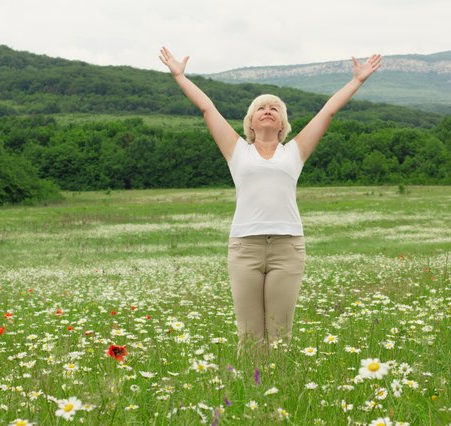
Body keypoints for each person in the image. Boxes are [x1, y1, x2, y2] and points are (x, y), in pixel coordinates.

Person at [159, 46, 382, 356]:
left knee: (280, 337)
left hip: (287, 249)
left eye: (274, 109)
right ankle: (248, 397)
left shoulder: (295, 151)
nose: (267, 110)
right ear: (251, 123)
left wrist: (357, 81)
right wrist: (180, 76)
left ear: (282, 125)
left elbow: (327, 111)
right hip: (245, 249)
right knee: (249, 338)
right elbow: (208, 109)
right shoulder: (237, 150)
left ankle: (278, 395)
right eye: (261, 108)